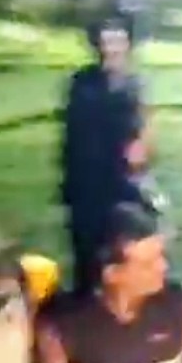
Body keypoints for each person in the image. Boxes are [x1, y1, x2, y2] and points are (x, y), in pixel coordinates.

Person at [35, 203, 182, 363]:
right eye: (148, 264)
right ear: (112, 274)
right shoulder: (60, 328)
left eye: (161, 255)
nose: (163, 266)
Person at [61, 18, 145, 294]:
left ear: (128, 45)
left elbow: (140, 136)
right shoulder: (83, 83)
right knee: (86, 259)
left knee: (120, 257)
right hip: (87, 186)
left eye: (118, 42)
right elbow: (73, 135)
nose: (112, 49)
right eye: (107, 42)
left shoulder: (134, 85)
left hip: (121, 186)